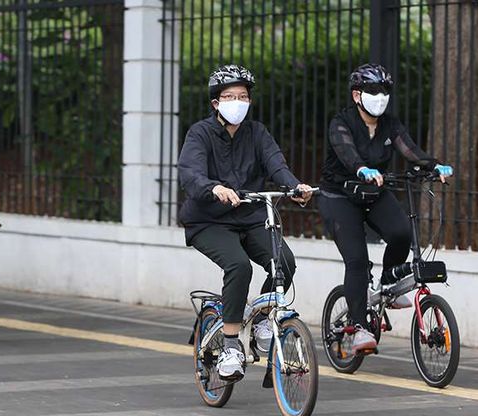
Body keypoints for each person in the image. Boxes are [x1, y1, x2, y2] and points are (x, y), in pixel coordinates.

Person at [178, 64, 313, 382]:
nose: (237, 101)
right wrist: (214, 188)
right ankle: (229, 345)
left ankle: (265, 321)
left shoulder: (257, 133)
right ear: (216, 103)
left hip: (250, 216)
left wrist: (295, 186)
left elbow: (276, 163)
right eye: (229, 96)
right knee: (239, 266)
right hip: (208, 220)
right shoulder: (200, 133)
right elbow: (190, 172)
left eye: (242, 96)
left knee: (284, 262)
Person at [319, 63, 453, 354]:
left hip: (373, 193)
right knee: (356, 261)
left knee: (402, 232)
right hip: (340, 198)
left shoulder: (390, 124)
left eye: (384, 91)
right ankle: (358, 328)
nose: (380, 97)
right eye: (372, 91)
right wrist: (362, 168)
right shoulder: (341, 122)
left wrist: (432, 166)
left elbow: (410, 150)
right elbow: (346, 153)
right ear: (357, 95)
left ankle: (388, 284)